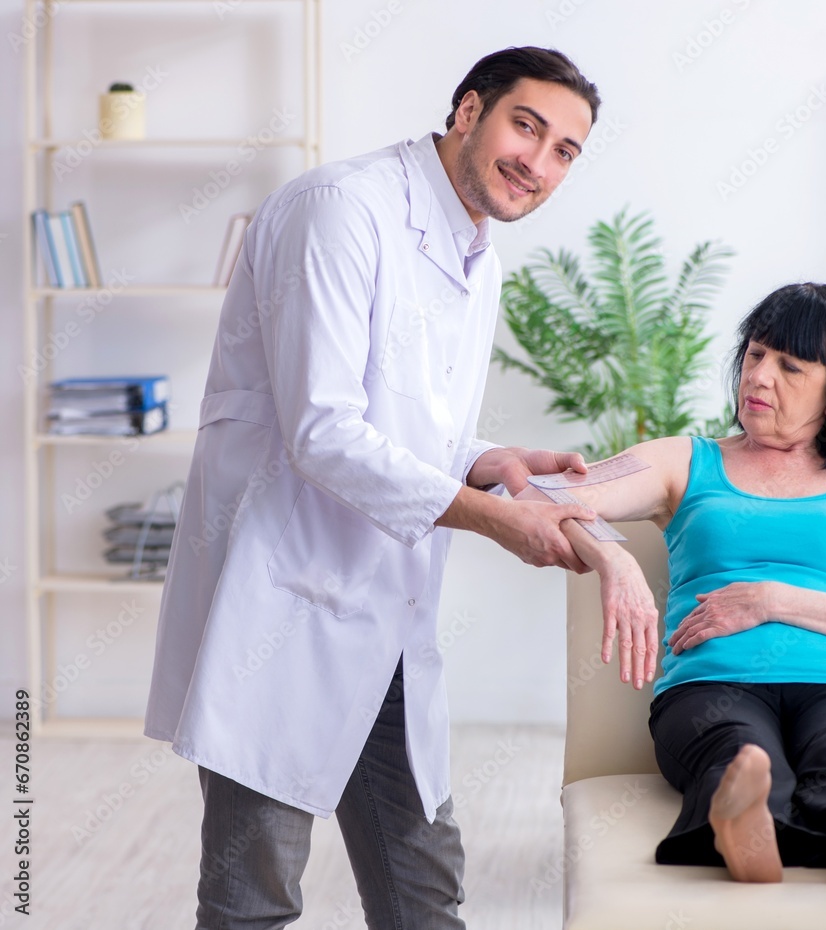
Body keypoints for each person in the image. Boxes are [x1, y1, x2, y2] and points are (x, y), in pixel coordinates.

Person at [143, 47, 629, 929]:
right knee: (255, 899)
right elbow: (323, 429)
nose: (539, 162)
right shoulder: (340, 210)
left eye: (565, 150)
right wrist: (493, 520)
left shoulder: (476, 253)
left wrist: (490, 460)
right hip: (281, 607)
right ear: (467, 110)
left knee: (425, 894)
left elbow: (413, 425)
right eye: (525, 127)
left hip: (388, 616)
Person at [527, 282, 826, 884]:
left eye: (790, 366)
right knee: (737, 754)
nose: (758, 377)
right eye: (756, 354)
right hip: (714, 684)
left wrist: (772, 600)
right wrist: (613, 559)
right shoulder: (684, 459)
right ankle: (750, 826)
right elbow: (544, 494)